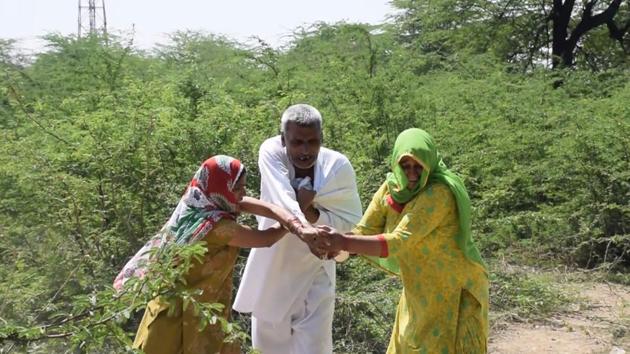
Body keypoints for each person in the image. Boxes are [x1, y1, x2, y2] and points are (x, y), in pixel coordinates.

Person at [113, 155, 318, 354]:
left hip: (187, 311)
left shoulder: (198, 201)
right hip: (180, 322)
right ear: (222, 188)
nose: (242, 193)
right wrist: (300, 207)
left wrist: (293, 214)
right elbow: (266, 239)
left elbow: (269, 208)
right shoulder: (215, 227)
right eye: (237, 188)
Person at [317, 128, 489, 354]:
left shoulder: (440, 193)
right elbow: (364, 230)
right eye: (405, 166)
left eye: (418, 166)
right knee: (408, 345)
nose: (411, 174)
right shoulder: (392, 189)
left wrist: (343, 243)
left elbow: (399, 241)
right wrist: (336, 248)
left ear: (429, 164)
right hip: (419, 289)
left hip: (454, 288)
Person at [233, 104, 362, 354]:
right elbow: (282, 197)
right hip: (274, 265)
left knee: (314, 347)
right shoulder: (271, 152)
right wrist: (302, 214)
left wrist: (313, 214)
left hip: (317, 270)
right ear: (283, 140)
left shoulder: (338, 167)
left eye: (313, 142)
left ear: (322, 139)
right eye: (297, 142)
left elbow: (351, 224)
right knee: (268, 345)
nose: (305, 150)